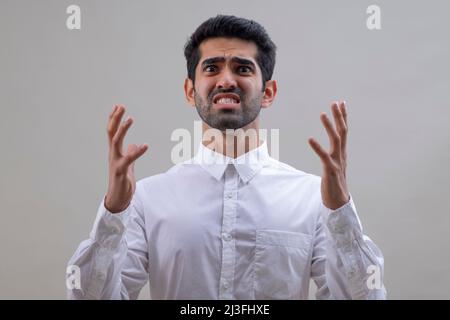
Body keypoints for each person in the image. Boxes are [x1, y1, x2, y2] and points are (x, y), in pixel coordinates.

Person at [67, 15, 386, 300]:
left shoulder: (314, 199)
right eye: (212, 67)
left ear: (269, 92)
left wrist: (340, 210)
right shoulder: (146, 199)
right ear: (191, 91)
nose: (226, 80)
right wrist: (113, 212)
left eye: (243, 68)